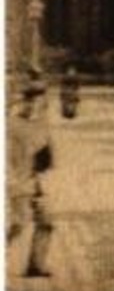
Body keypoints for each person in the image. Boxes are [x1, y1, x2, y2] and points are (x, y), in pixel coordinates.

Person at [7, 73, 54, 278]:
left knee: (45, 223)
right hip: (17, 182)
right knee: (18, 224)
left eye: (37, 102)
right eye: (30, 101)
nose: (34, 106)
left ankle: (35, 265)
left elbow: (43, 159)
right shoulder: (12, 126)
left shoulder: (33, 125)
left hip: (31, 182)